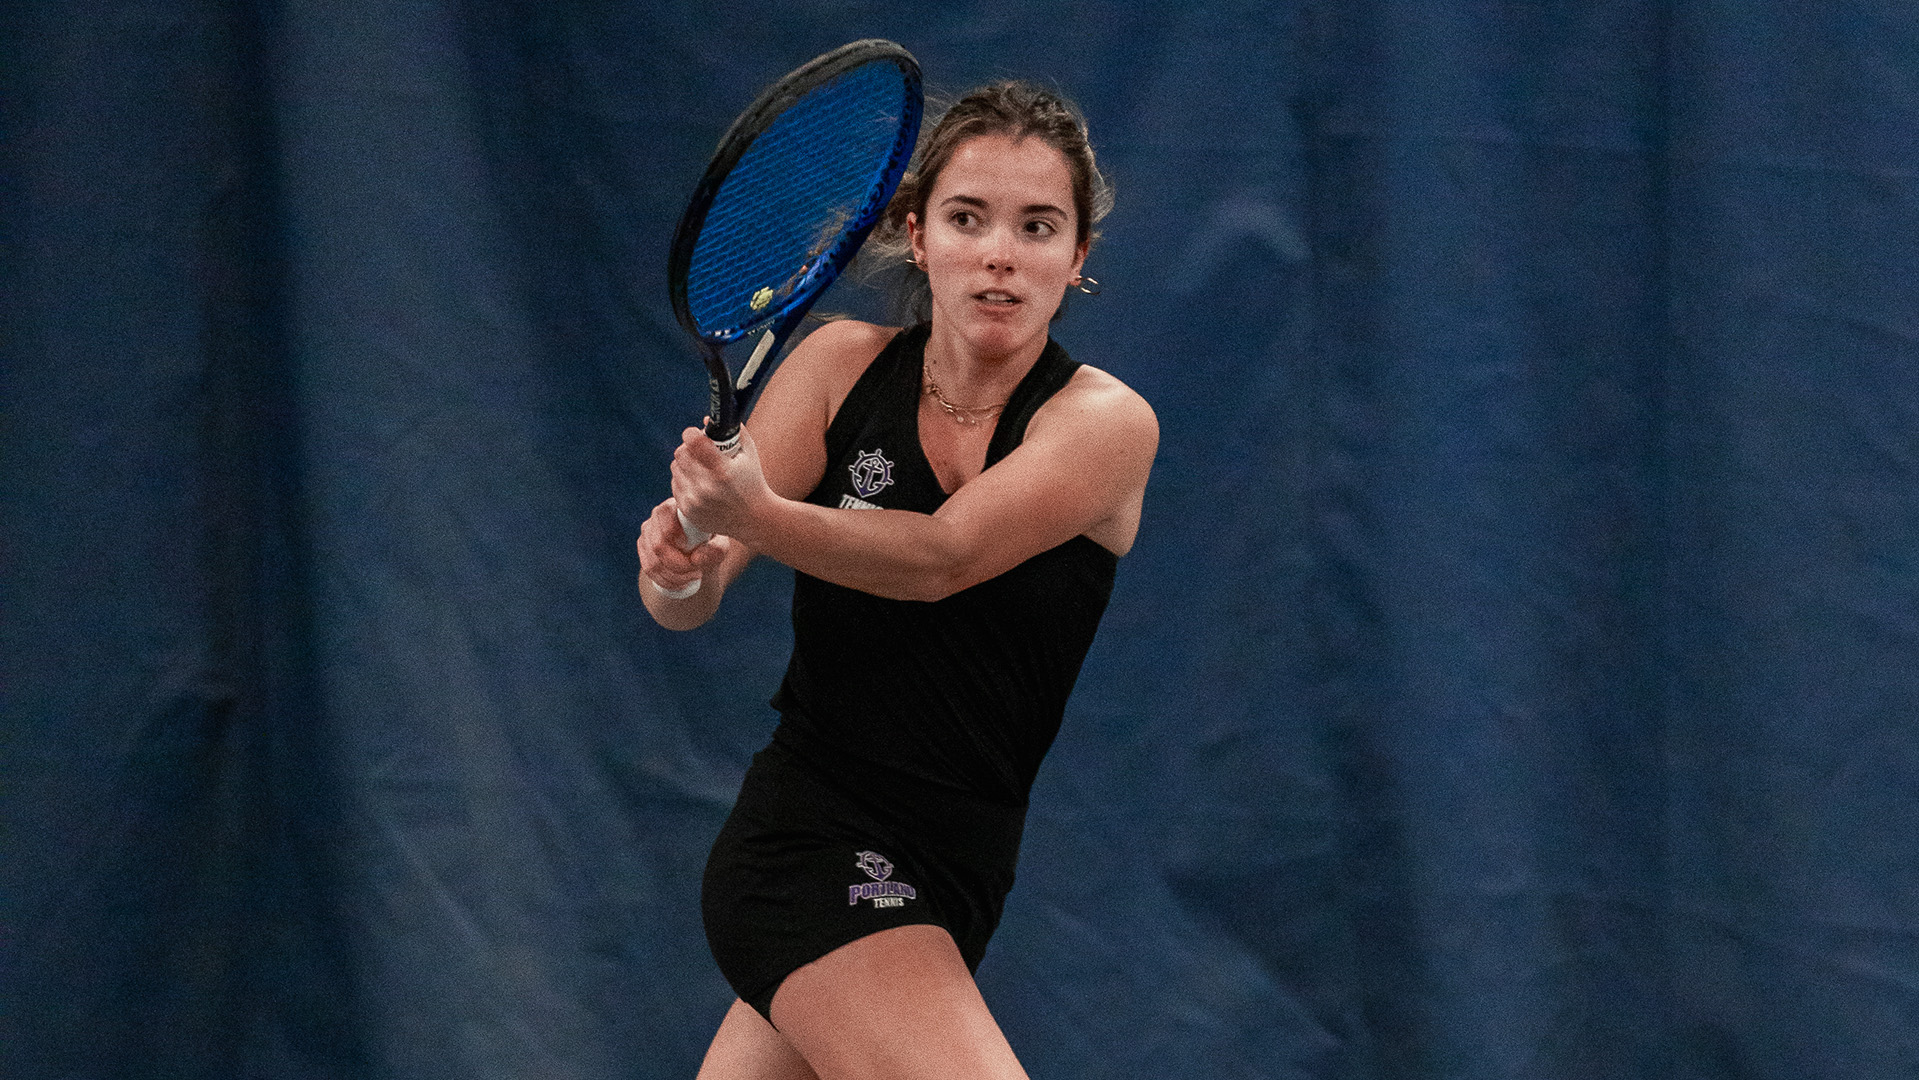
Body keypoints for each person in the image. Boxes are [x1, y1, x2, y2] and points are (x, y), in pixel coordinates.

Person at [637, 80, 1157, 1080]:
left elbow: (940, 561)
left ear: (1075, 258)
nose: (1000, 251)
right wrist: (677, 565)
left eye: (1037, 225)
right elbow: (692, 599)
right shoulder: (836, 369)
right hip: (807, 841)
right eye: (967, 217)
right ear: (918, 236)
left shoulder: (1101, 426)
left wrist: (757, 515)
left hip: (957, 869)